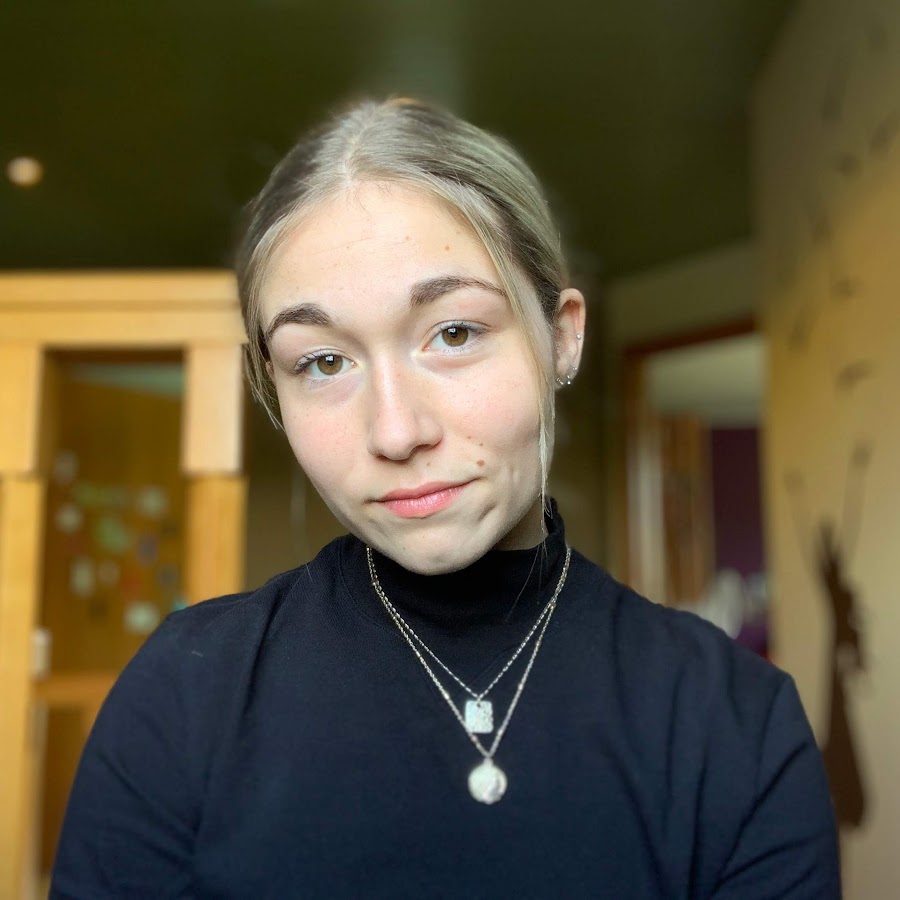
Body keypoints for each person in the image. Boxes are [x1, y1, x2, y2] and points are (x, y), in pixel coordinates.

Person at [51, 98, 840, 899]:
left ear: (562, 335)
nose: (396, 431)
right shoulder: (183, 695)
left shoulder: (734, 723)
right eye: (323, 362)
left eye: (454, 333)